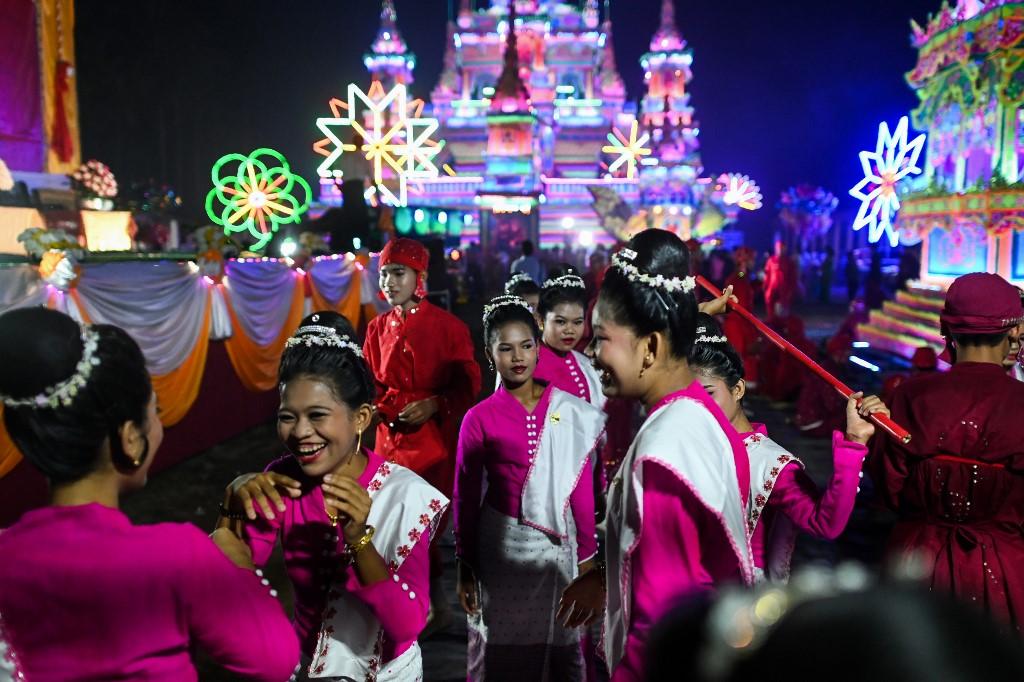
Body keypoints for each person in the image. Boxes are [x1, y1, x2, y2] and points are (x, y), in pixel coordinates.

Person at [0, 307, 299, 682]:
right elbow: (276, 660)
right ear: (130, 439)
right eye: (154, 411)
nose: (158, 424)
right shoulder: (175, 555)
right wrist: (235, 563)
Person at [558, 229, 753, 682]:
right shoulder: (700, 414)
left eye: (601, 337)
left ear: (650, 347)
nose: (590, 351)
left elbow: (661, 617)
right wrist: (607, 574)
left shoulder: (666, 453)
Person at [219, 312, 447, 680]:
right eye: (287, 417)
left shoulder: (404, 494)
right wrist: (230, 511)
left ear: (361, 418)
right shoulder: (282, 479)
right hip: (308, 668)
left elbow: (406, 624)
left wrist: (360, 541)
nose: (300, 433)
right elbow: (232, 583)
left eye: (317, 415)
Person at [455, 295, 605, 681]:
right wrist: (465, 564)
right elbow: (466, 494)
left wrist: (587, 555)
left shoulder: (567, 408)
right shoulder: (478, 418)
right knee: (501, 649)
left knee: (564, 643)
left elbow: (580, 487)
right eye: (505, 348)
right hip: (501, 546)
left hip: (559, 549)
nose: (518, 357)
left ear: (538, 349)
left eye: (526, 346)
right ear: (491, 355)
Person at [868, 272, 1024, 632]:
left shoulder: (911, 395)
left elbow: (890, 489)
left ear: (947, 330)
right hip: (1007, 571)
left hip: (915, 564)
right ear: (1014, 331)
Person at [688, 313, 887, 582]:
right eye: (689, 397)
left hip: (737, 605)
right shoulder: (691, 445)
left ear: (738, 390)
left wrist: (854, 444)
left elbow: (825, 523)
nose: (700, 407)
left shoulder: (771, 464)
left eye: (709, 393)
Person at [363, 237, 482, 627]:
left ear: (420, 277)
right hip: (388, 441)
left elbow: (467, 383)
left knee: (424, 525)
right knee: (387, 523)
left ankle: (431, 602)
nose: (389, 282)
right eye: (384, 274)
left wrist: (433, 405)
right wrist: (379, 411)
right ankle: (405, 603)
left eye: (398, 273)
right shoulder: (376, 328)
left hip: (432, 441)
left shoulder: (448, 327)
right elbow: (370, 383)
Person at [535, 265, 606, 409]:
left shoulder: (586, 365)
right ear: (541, 320)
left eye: (577, 322)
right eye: (561, 321)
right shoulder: (526, 365)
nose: (570, 330)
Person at [763, 240, 798, 317]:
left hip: (784, 290)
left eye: (782, 248)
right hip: (772, 290)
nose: (780, 250)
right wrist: (765, 287)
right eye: (779, 248)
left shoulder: (789, 262)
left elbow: (793, 278)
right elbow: (767, 275)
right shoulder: (771, 261)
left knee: (783, 312)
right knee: (771, 311)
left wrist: (791, 290)